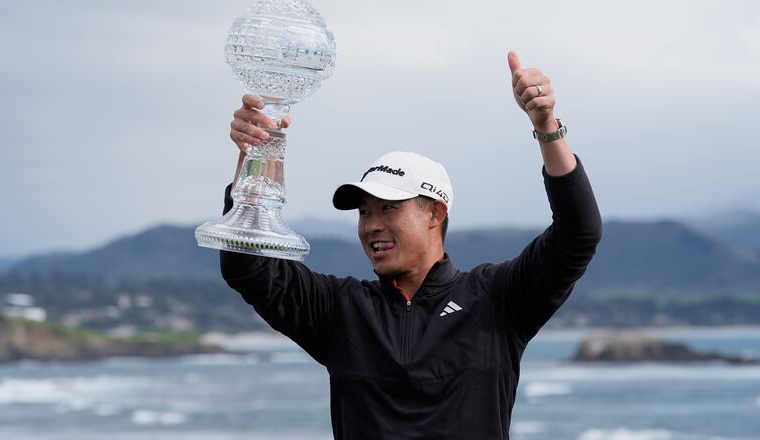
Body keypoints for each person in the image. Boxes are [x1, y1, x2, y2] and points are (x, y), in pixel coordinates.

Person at [221, 51, 602, 439]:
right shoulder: (341, 311)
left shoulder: (496, 300)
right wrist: (255, 154)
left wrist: (546, 126)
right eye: (365, 212)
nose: (372, 226)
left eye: (388, 209)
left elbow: (578, 234)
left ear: (435, 213)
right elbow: (248, 267)